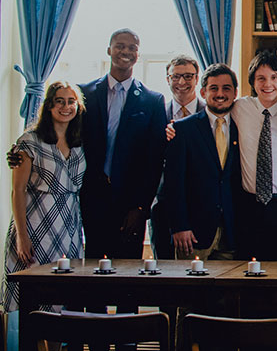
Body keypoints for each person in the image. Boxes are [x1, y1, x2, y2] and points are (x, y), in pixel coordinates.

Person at [80, 28, 167, 260]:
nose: (125, 51)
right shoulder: (84, 94)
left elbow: (154, 160)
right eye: (120, 46)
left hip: (130, 204)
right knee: (91, 271)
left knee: (127, 277)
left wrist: (140, 207)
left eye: (132, 48)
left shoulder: (153, 100)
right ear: (109, 50)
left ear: (138, 55)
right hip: (91, 198)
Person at [4, 81, 86, 313]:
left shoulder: (78, 143)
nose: (66, 107)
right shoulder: (29, 142)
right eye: (59, 101)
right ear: (49, 105)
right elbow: (17, 191)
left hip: (68, 228)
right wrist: (22, 236)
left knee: (62, 298)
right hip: (35, 224)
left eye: (71, 102)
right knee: (32, 299)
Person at [164, 63, 240, 261]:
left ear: (235, 93)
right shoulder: (182, 130)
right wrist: (180, 226)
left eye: (226, 88)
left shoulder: (244, 128)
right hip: (193, 234)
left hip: (233, 232)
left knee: (229, 291)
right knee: (190, 292)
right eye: (213, 88)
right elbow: (173, 184)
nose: (220, 94)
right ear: (203, 92)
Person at [233, 51, 277, 261]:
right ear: (253, 82)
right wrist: (174, 127)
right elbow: (209, 113)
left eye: (274, 77)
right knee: (248, 267)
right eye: (260, 78)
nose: (268, 84)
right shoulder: (239, 108)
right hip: (248, 205)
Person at [152, 54, 207, 259]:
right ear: (167, 79)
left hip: (201, 207)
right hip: (163, 207)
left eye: (188, 76)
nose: (181, 82)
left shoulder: (210, 113)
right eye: (175, 77)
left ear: (197, 78)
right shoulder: (155, 114)